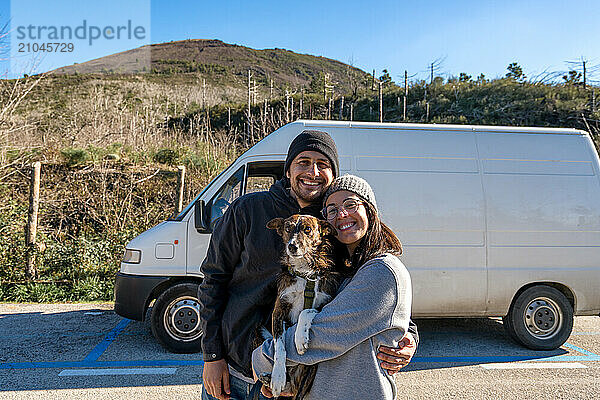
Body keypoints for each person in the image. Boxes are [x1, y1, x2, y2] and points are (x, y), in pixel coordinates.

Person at [199, 131, 418, 400]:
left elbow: (368, 287)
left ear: (332, 174)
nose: (312, 171)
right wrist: (212, 355)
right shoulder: (247, 210)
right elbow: (213, 279)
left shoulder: (334, 226)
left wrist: (408, 335)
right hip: (235, 372)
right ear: (288, 170)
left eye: (323, 164)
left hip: (295, 381)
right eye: (303, 162)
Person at [252, 174, 412, 400]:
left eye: (350, 204)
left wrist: (262, 358)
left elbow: (326, 334)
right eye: (332, 209)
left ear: (370, 210)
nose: (342, 214)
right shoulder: (345, 268)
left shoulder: (383, 271)